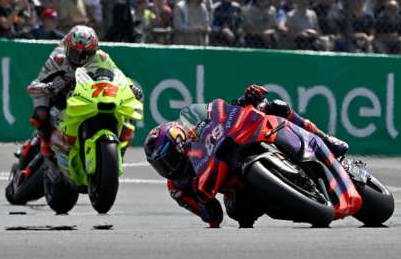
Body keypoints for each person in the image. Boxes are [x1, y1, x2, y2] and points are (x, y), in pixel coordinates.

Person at [144, 84, 349, 228]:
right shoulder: (177, 188)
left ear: (180, 144)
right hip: (235, 190)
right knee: (240, 215)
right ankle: (297, 204)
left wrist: (245, 100)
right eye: (160, 165)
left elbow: (222, 117)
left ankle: (325, 139)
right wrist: (204, 201)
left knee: (276, 107)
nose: (168, 169)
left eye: (168, 159)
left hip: (235, 149)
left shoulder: (196, 135)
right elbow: (213, 218)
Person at [27, 25, 143, 158]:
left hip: (88, 97)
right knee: (40, 113)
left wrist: (130, 87)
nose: (80, 60)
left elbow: (117, 75)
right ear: (67, 47)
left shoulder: (101, 57)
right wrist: (49, 86)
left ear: (94, 50)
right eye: (75, 53)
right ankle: (45, 141)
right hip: (61, 97)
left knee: (126, 115)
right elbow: (33, 87)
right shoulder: (58, 58)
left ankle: (119, 152)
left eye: (86, 54)